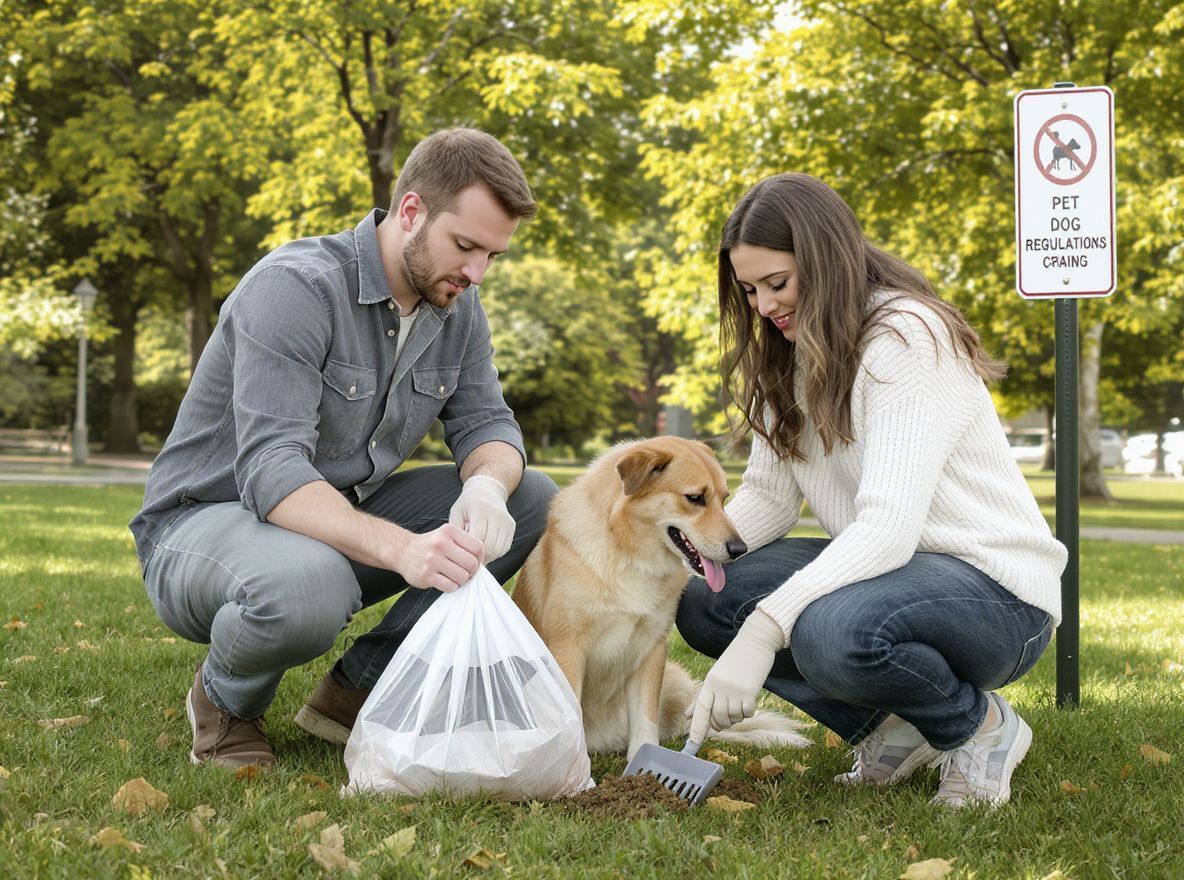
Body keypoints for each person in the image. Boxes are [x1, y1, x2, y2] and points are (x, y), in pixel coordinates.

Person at [130, 129, 558, 769]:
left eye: (492, 256)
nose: (476, 273)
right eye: (466, 246)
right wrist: (405, 549)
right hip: (206, 525)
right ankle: (225, 701)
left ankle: (357, 688)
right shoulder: (295, 288)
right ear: (411, 212)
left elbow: (488, 423)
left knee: (534, 499)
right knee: (311, 586)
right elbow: (273, 469)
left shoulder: (458, 306)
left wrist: (487, 487)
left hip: (335, 516)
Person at [678, 173, 1066, 807]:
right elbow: (771, 500)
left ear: (827, 260)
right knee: (705, 599)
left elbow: (888, 527)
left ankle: (979, 728)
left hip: (996, 595)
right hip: (896, 577)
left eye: (779, 283)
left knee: (830, 632)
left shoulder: (907, 338)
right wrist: (674, 559)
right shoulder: (792, 352)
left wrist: (764, 630)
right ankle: (890, 730)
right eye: (750, 290)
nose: (765, 306)